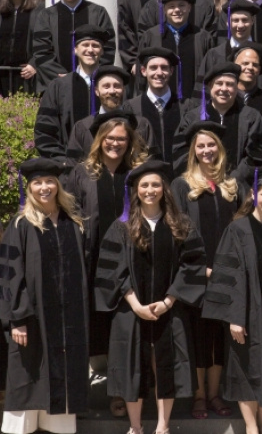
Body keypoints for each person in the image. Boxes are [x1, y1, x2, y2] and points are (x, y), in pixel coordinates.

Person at [95, 160, 207, 434]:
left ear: (164, 189)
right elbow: (111, 271)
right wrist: (136, 305)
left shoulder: (181, 225)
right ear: (135, 190)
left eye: (155, 184)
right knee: (133, 365)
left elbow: (192, 265)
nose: (150, 189)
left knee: (165, 365)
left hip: (171, 309)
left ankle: (163, 426)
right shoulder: (120, 227)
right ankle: (135, 427)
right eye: (144, 185)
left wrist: (169, 300)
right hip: (130, 310)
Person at [202, 167, 262, 434]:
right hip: (247, 316)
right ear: (253, 195)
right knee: (248, 371)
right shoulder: (238, 229)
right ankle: (251, 428)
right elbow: (228, 276)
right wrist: (235, 317)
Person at [66, 110, 148, 417]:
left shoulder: (137, 173)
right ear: (100, 140)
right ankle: (81, 396)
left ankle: (119, 394)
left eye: (122, 139)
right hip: (92, 262)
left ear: (130, 142)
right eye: (110, 138)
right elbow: (70, 215)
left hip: (130, 262)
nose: (115, 144)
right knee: (90, 328)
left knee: (122, 330)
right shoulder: (81, 173)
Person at [0, 159, 88, 434]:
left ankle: (58, 427)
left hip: (68, 318)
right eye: (37, 182)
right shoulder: (20, 224)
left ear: (58, 185)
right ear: (29, 188)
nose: (44, 187)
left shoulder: (72, 222)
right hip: (32, 318)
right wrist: (18, 318)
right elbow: (10, 274)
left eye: (50, 181)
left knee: (64, 375)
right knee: (27, 373)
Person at [171, 121, 246, 420]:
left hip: (228, 275)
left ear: (220, 148)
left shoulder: (233, 185)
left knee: (219, 336)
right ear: (193, 151)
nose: (206, 150)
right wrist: (201, 268)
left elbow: (242, 229)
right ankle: (199, 395)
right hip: (198, 274)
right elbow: (177, 230)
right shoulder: (181, 185)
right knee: (200, 336)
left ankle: (215, 394)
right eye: (200, 146)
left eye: (211, 145)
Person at [172, 62, 262, 175]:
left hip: (239, 187)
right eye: (219, 83)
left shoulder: (251, 117)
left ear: (237, 87)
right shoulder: (192, 117)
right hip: (198, 185)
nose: (224, 89)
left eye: (230, 84)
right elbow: (181, 153)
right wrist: (201, 178)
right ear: (210, 87)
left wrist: (236, 179)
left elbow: (257, 155)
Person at [33, 24, 110, 166]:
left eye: (95, 45)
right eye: (85, 45)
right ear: (75, 50)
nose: (90, 50)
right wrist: (62, 162)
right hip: (69, 169)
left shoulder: (113, 86)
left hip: (108, 166)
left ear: (102, 51)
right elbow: (45, 130)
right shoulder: (59, 87)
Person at [32, 0, 116, 92]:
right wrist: (62, 76)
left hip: (91, 83)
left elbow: (108, 47)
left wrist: (91, 75)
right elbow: (41, 51)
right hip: (56, 83)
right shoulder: (46, 16)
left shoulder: (97, 12)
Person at [66, 65, 154, 166]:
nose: (112, 91)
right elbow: (72, 169)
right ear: (96, 91)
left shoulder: (141, 125)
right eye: (106, 86)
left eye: (117, 86)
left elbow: (152, 164)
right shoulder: (82, 127)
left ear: (123, 90)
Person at [138, 0, 215, 102]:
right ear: (164, 10)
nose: (177, 10)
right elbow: (141, 75)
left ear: (189, 8)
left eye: (182, 5)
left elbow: (211, 72)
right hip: (159, 103)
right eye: (171, 6)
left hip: (195, 104)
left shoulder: (203, 37)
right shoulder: (150, 36)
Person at [125, 47, 196, 166]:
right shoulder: (131, 108)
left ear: (171, 71)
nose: (159, 73)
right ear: (143, 71)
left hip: (181, 177)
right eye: (153, 68)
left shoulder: (186, 106)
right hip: (146, 179)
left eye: (164, 68)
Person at [200, 0, 262, 91]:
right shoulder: (213, 55)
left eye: (245, 20)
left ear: (252, 21)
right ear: (227, 23)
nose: (240, 25)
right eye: (235, 20)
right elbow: (203, 92)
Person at [0, 0, 42, 96]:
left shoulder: (39, 10)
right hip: (1, 74)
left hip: (26, 74)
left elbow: (46, 42)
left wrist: (34, 64)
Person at [233, 41, 262, 123]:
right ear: (234, 65)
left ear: (259, 70)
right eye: (245, 63)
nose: (250, 67)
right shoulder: (225, 98)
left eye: (255, 65)